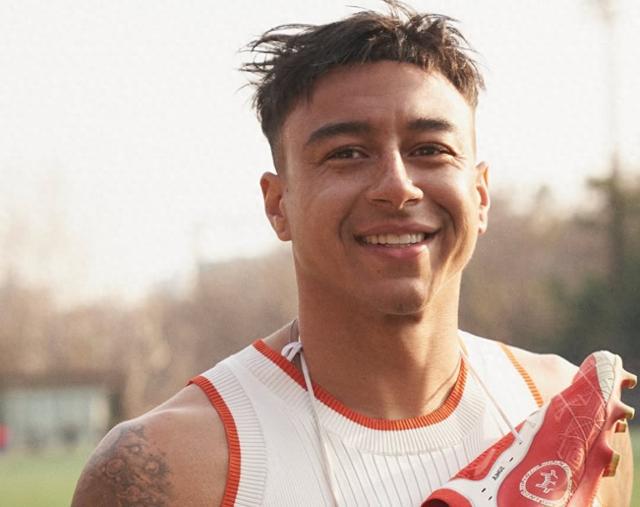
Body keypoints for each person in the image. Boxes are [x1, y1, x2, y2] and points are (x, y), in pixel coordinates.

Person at [72, 2, 633, 506]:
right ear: (278, 204)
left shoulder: (570, 415)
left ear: (480, 195)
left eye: (430, 149)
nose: (398, 186)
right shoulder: (167, 469)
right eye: (347, 153)